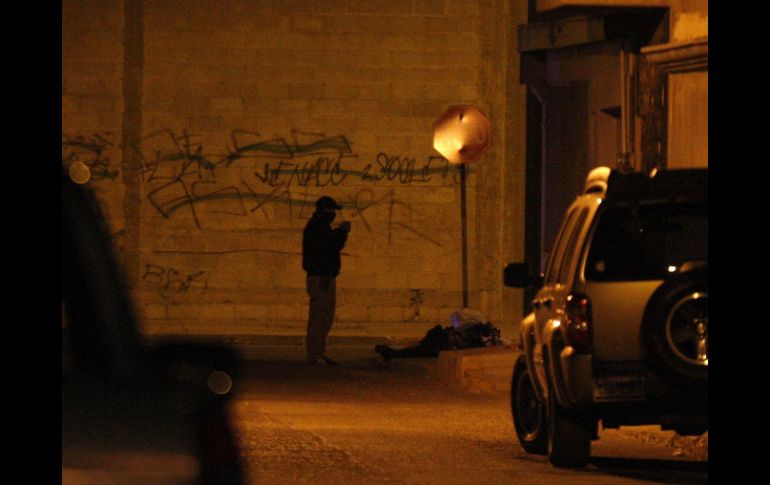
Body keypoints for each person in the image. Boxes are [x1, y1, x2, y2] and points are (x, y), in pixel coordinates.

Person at [302, 196, 350, 366]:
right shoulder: (318, 227)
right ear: (326, 210)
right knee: (320, 318)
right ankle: (315, 354)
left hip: (323, 277)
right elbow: (329, 247)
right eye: (332, 210)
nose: (334, 214)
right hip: (321, 278)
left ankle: (318, 353)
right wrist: (342, 232)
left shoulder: (319, 226)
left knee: (324, 317)